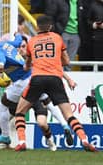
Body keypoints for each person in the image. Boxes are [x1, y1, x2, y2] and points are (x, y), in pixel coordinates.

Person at [14, 15, 97, 152]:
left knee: (20, 112)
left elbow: (27, 66)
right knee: (69, 115)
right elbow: (66, 61)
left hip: (38, 78)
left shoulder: (32, 41)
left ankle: (22, 141)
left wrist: (27, 66)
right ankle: (84, 140)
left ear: (36, 27)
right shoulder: (57, 38)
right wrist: (55, 61)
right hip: (55, 79)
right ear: (51, 27)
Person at [0, 32, 57, 151]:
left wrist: (1, 67)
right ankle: (16, 141)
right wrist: (18, 34)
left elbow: (2, 58)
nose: (22, 49)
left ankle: (50, 141)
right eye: (21, 47)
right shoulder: (9, 49)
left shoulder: (0, 53)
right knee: (15, 113)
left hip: (29, 89)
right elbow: (17, 42)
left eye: (24, 47)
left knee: (41, 122)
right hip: (24, 90)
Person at [87, 0, 103, 71]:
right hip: (97, 38)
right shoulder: (93, 5)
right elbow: (87, 20)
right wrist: (95, 25)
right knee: (98, 60)